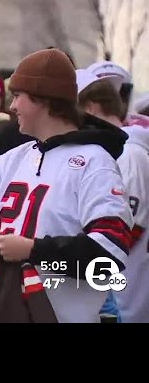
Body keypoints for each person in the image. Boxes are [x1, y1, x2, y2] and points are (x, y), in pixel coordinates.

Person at [0, 48, 134, 323]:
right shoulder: (14, 158)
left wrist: (33, 251)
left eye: (18, 96)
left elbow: (108, 259)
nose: (11, 106)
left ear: (44, 101)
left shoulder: (95, 162)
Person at [77, 71, 149, 323]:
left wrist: (90, 265)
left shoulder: (130, 153)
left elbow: (131, 227)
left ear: (90, 107)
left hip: (126, 288)